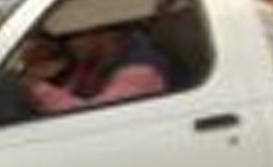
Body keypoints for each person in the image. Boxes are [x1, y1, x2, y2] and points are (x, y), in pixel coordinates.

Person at [23, 26, 169, 114]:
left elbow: (92, 115)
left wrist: (37, 87)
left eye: (69, 37)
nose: (68, 45)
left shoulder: (140, 72)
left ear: (100, 33)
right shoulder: (96, 60)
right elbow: (71, 93)